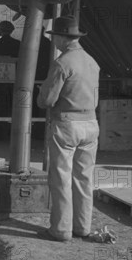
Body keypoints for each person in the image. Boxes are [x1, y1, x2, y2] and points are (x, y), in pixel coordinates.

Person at [36, 15, 100, 242]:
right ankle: (82, 227)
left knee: (61, 177)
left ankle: (61, 230)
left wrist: (39, 95)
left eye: (55, 37)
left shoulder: (62, 63)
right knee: (84, 178)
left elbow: (47, 100)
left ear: (63, 38)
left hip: (67, 124)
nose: (53, 41)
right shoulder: (92, 61)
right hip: (91, 124)